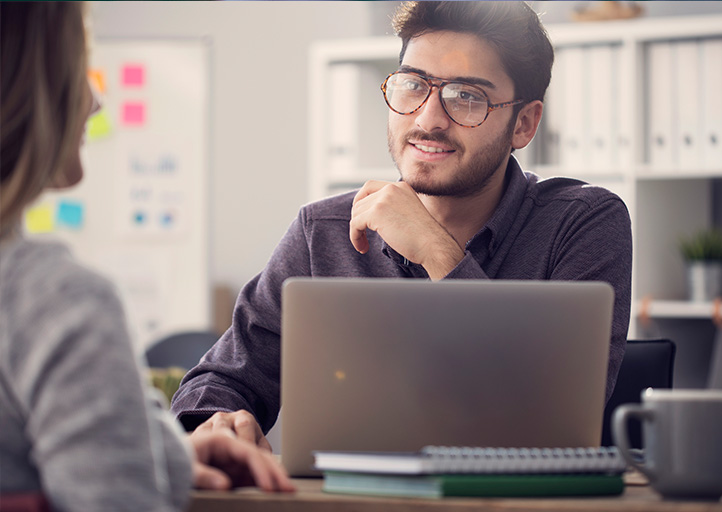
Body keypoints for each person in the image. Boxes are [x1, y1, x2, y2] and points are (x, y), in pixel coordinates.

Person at [172, 1, 632, 451]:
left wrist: (438, 253)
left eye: (467, 97)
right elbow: (222, 379)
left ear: (524, 124)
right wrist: (217, 421)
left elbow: (551, 424)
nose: (428, 120)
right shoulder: (323, 230)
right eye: (413, 86)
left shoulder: (582, 223)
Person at [0, 3, 294, 511]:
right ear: (30, 89)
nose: (95, 102)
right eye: (78, 68)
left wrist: (164, 454)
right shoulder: (55, 299)